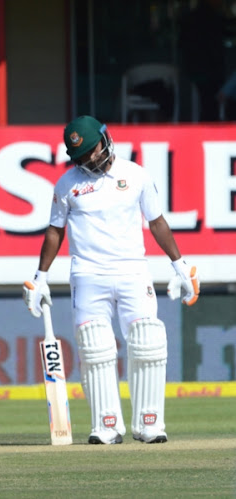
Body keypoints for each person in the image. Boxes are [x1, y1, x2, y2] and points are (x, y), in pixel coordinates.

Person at [23, 116, 200, 445]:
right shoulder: (67, 185)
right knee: (95, 347)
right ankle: (106, 425)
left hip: (133, 271)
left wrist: (180, 265)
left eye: (93, 149)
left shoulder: (135, 175)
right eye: (82, 155)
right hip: (88, 275)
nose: (91, 158)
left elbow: (157, 222)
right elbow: (55, 230)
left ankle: (149, 423)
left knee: (147, 340)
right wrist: (41, 277)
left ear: (106, 139)